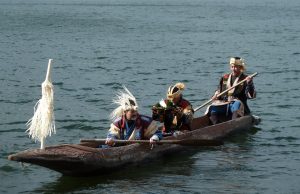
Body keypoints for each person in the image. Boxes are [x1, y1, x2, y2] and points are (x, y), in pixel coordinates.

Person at [207, 57, 256, 124]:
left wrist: (250, 83)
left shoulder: (245, 79)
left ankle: (232, 124)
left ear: (240, 67)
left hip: (236, 105)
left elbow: (250, 96)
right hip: (224, 103)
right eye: (232, 67)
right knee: (212, 108)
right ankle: (215, 125)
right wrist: (215, 95)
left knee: (237, 104)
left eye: (235, 67)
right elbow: (219, 90)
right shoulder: (224, 77)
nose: (233, 69)